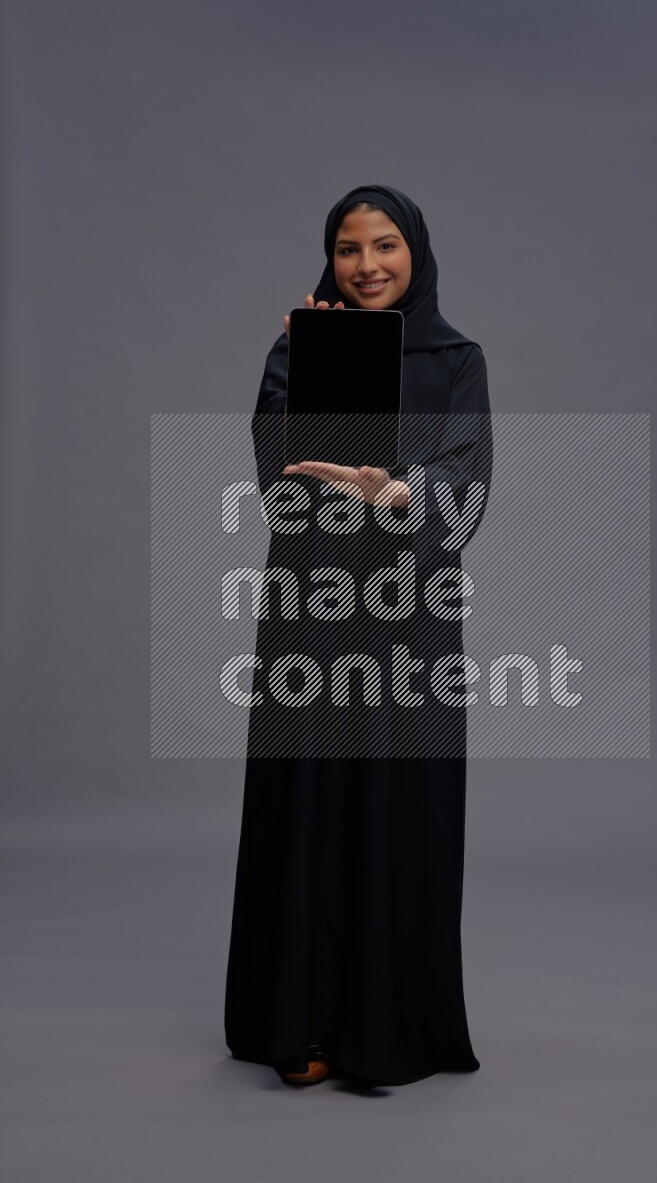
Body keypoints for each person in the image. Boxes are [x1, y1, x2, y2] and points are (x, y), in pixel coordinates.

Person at [224, 183, 493, 1087]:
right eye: (348, 248)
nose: (367, 265)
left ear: (415, 251)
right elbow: (277, 478)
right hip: (312, 604)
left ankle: (386, 1030)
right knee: (307, 798)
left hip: (411, 615)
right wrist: (306, 370)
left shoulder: (458, 359)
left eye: (385, 245)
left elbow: (470, 483)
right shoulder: (292, 350)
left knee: (395, 803)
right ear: (329, 257)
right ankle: (298, 1025)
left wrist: (392, 488)